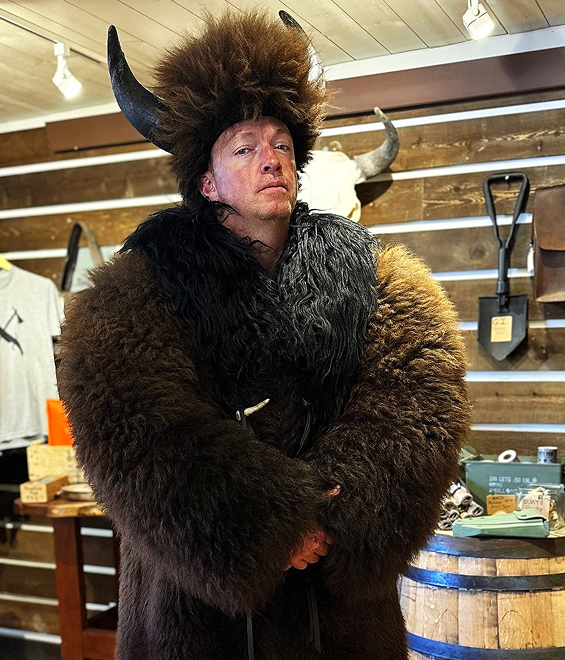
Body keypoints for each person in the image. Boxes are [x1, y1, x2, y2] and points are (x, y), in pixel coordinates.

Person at [57, 11, 470, 660]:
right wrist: (262, 526)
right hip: (194, 616)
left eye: (281, 145)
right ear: (206, 180)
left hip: (339, 615)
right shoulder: (140, 292)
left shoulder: (374, 280)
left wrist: (329, 519)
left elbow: (415, 395)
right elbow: (133, 425)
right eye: (244, 148)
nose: (271, 159)